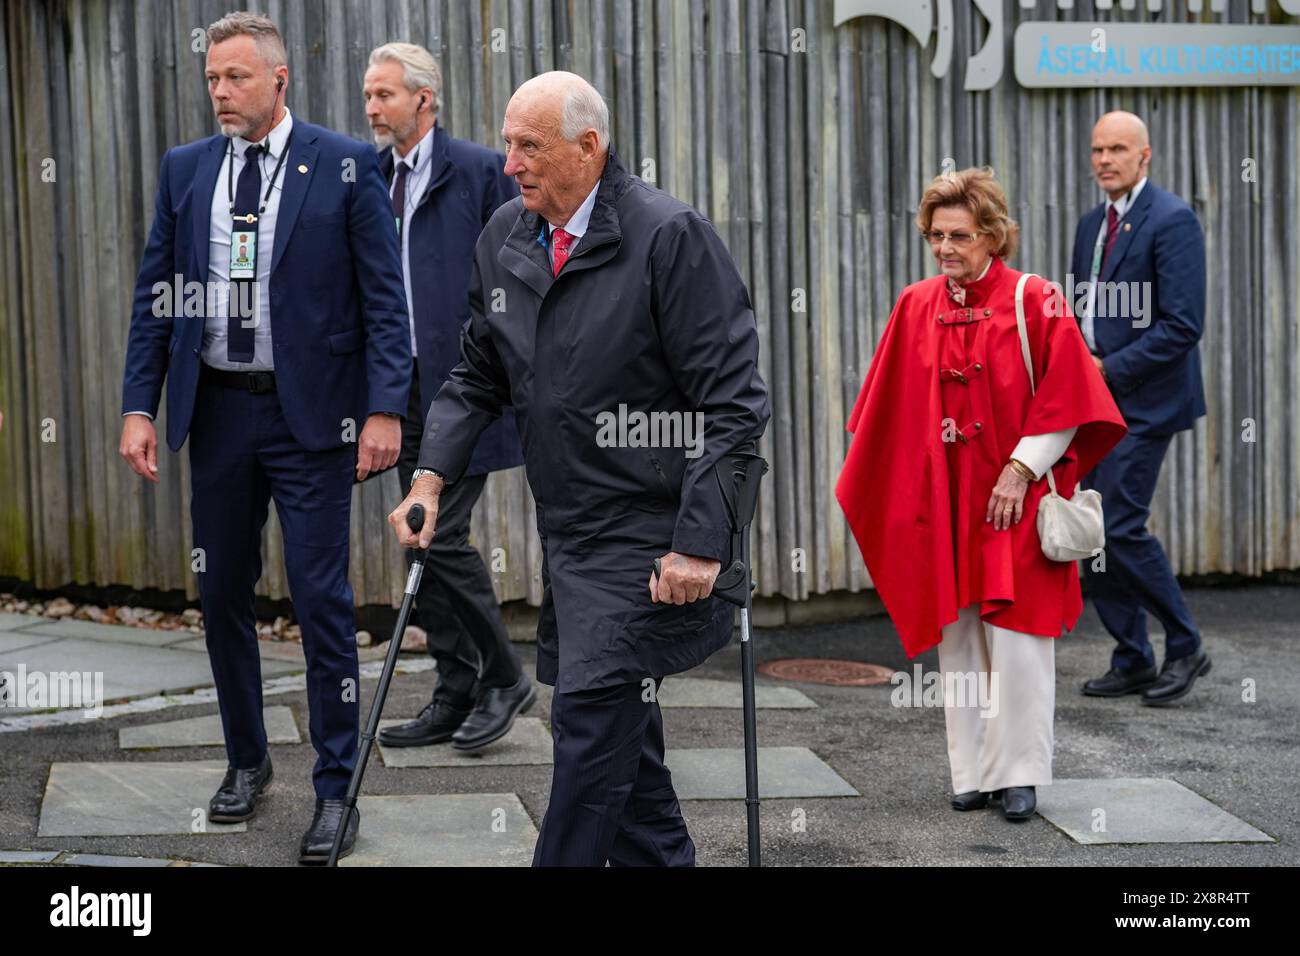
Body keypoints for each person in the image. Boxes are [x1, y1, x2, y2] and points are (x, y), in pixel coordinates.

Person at [388, 71, 770, 866]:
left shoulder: (669, 237)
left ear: (589, 148)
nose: (510, 162)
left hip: (651, 531)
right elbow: (476, 375)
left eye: (531, 146)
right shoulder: (506, 236)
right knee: (630, 764)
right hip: (570, 530)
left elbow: (733, 405)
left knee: (590, 731)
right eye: (507, 144)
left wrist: (702, 542)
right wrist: (430, 478)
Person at [119, 11, 410, 863]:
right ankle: (247, 762)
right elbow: (155, 298)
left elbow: (384, 299)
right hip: (215, 412)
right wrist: (141, 404)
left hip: (310, 417)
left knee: (321, 601)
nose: (220, 93)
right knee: (220, 597)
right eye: (213, 79)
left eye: (236, 78)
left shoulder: (346, 166)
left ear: (279, 80)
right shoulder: (185, 171)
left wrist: (386, 408)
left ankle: (336, 786)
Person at [836, 168, 1126, 822]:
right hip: (947, 500)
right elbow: (889, 411)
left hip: (1015, 498)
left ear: (993, 236)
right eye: (936, 236)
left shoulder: (1037, 300)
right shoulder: (915, 305)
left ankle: (1018, 774)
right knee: (959, 637)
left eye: (960, 236)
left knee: (1019, 639)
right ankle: (970, 771)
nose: (945, 248)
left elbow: (1070, 401)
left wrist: (1020, 470)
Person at [362, 42, 533, 751]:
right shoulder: (369, 176)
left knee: (440, 532)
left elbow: (518, 270)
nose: (372, 108)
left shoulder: (480, 171)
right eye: (369, 96)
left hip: (468, 388)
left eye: (385, 96)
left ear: (423, 101)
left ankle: (503, 675)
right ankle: (455, 686)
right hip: (397, 391)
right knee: (418, 535)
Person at [1073, 110, 1211, 706]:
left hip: (1146, 402)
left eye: (1118, 149)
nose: (1105, 159)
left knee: (1120, 524)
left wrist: (1108, 367)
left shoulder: (1173, 220)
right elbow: (1082, 308)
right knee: (1089, 530)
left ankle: (1185, 645)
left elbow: (1183, 326)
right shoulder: (1090, 224)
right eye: (1098, 149)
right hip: (1091, 400)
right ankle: (1132, 655)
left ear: (1144, 155)